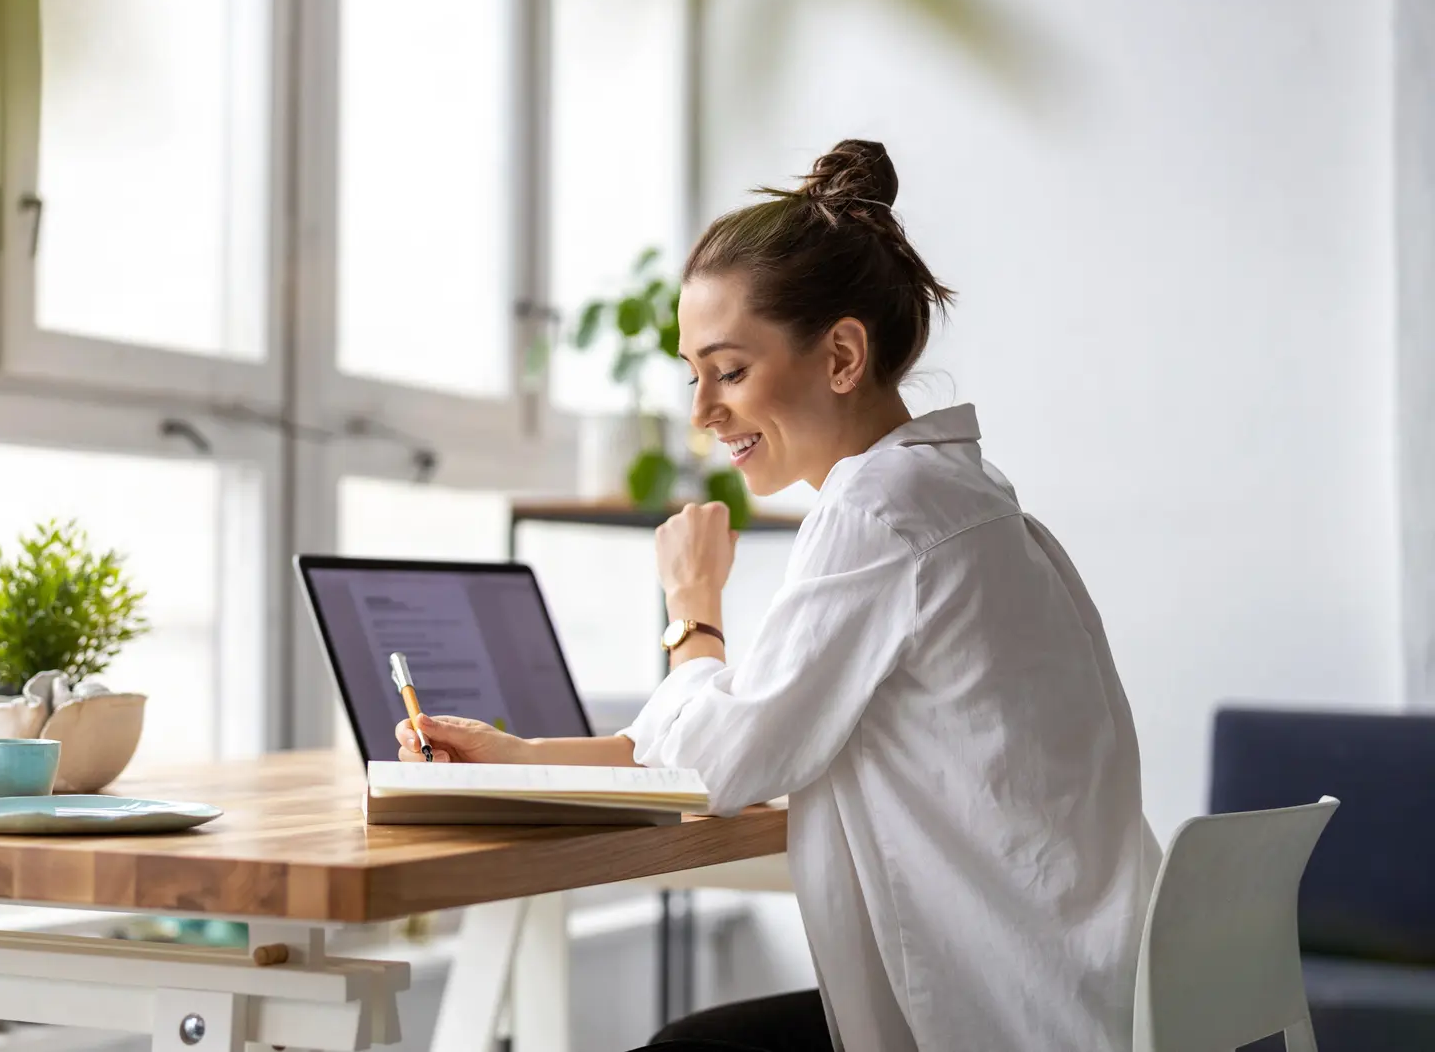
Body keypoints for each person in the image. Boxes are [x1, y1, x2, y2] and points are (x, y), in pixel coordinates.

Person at [394, 139, 1161, 1052]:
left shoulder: (880, 513)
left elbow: (716, 767)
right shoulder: (962, 497)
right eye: (694, 374)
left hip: (999, 1017)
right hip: (1075, 996)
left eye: (730, 370)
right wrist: (516, 757)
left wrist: (693, 606)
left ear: (841, 355)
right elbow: (750, 732)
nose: (702, 413)